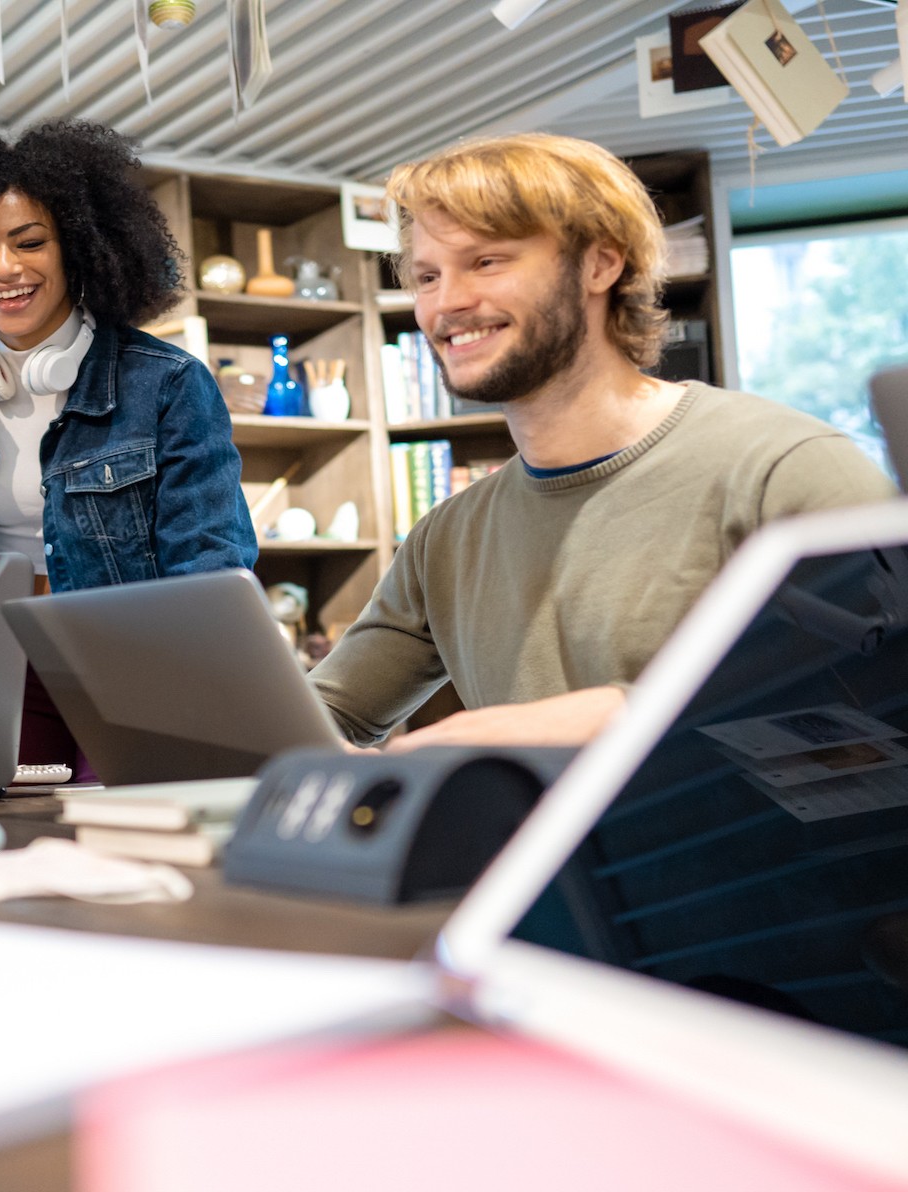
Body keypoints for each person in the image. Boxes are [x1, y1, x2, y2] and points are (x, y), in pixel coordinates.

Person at [307, 133, 897, 751]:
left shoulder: (784, 469)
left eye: (486, 261)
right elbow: (311, 719)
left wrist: (621, 716)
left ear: (600, 263)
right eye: (427, 276)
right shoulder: (444, 543)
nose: (446, 302)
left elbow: (886, 696)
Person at [0, 118, 254, 768]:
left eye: (29, 242)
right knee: (3, 834)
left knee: (119, 837)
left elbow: (211, 561)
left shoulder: (167, 383)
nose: (3, 268)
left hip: (130, 670)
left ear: (78, 245)